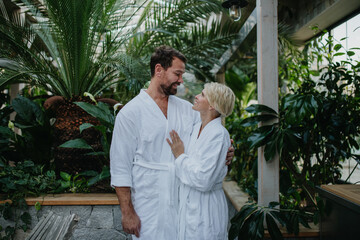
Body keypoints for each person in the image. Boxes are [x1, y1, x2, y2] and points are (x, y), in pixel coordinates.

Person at [110, 46, 233, 239]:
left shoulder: (187, 110)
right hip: (148, 204)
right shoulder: (130, 113)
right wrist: (127, 212)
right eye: (177, 73)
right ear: (159, 70)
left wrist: (226, 152)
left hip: (184, 203)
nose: (181, 80)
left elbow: (204, 144)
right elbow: (120, 168)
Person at [167, 82, 235, 240]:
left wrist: (180, 156)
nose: (197, 96)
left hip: (207, 208)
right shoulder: (196, 127)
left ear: (212, 105)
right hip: (190, 206)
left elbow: (204, 180)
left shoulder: (218, 134)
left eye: (203, 95)